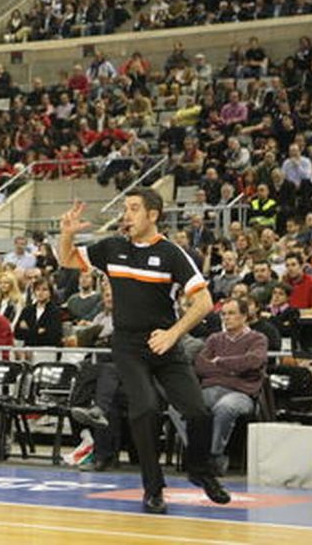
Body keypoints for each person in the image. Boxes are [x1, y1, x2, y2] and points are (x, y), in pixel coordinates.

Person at [59, 188, 230, 515]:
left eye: (134, 208)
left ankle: (200, 471)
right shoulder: (111, 247)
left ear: (153, 215)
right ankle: (153, 489)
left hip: (165, 341)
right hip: (128, 344)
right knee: (145, 409)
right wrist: (66, 234)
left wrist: (173, 333)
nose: (126, 214)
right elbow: (67, 260)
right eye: (125, 208)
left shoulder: (172, 253)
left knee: (198, 411)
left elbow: (204, 302)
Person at [192, 298, 268, 476]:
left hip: (241, 392)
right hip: (211, 389)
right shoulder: (214, 339)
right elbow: (200, 366)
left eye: (231, 313)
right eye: (223, 314)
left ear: (244, 316)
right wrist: (234, 369)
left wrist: (220, 362)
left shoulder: (257, 339)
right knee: (178, 406)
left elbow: (253, 362)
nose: (226, 317)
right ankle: (199, 453)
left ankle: (215, 456)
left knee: (225, 407)